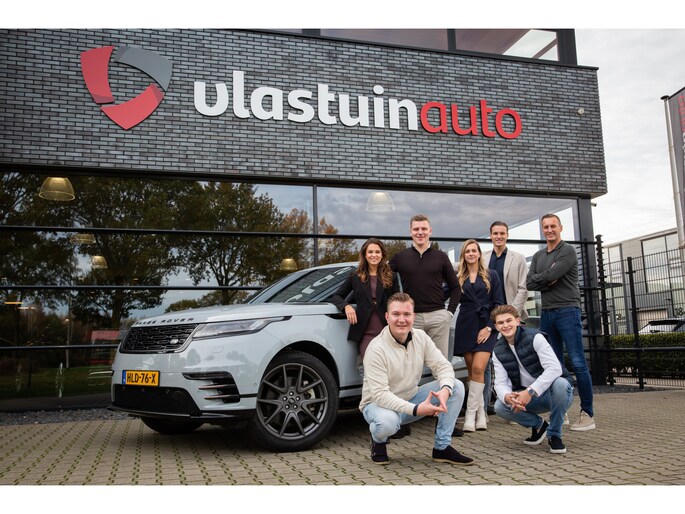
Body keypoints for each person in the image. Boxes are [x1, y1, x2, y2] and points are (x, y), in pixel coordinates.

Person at [359, 292, 474, 466]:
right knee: (387, 423)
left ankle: (442, 448)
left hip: (410, 397)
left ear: (414, 316)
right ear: (387, 317)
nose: (401, 320)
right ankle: (378, 441)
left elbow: (443, 366)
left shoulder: (421, 337)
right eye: (396, 314)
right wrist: (416, 409)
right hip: (377, 405)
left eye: (406, 314)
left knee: (455, 386)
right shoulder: (376, 348)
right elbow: (380, 395)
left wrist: (445, 390)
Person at [526, 213, 596, 431]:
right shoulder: (538, 256)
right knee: (553, 365)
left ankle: (587, 414)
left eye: (552, 226)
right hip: (547, 313)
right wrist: (547, 279)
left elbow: (548, 276)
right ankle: (560, 410)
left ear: (560, 228)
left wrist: (546, 278)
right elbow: (530, 282)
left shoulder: (567, 251)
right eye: (545, 227)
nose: (549, 230)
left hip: (567, 311)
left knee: (577, 362)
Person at [490, 305, 574, 454]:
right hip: (526, 398)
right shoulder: (497, 350)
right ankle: (540, 426)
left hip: (553, 394)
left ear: (517, 321)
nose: (505, 325)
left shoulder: (535, 337)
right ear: (496, 326)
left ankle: (554, 434)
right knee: (500, 406)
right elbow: (500, 383)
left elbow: (555, 368)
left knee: (561, 383)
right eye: (500, 323)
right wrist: (508, 397)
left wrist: (530, 391)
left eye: (509, 320)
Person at [389, 214, 460, 360]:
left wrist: (449, 313)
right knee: (410, 363)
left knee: (440, 364)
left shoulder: (441, 257)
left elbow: (455, 287)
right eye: (416, 229)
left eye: (423, 229)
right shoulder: (400, 257)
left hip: (438, 317)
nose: (420, 232)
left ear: (430, 231)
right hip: (411, 318)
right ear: (411, 232)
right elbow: (381, 278)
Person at [452, 239, 504, 432]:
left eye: (474, 250)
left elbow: (498, 303)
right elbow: (443, 294)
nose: (471, 254)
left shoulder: (492, 275)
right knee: (471, 372)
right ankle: (480, 413)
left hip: (485, 324)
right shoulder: (458, 276)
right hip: (466, 324)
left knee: (478, 367)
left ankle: (470, 415)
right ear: (463, 255)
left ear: (479, 254)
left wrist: (490, 327)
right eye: (467, 251)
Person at [481, 221, 529, 416]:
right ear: (490, 236)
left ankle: (517, 404)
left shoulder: (518, 258)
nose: (499, 236)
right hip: (488, 319)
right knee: (487, 362)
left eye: (502, 233)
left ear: (507, 235)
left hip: (510, 318)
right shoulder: (483, 257)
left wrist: (511, 314)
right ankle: (486, 406)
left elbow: (523, 288)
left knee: (515, 361)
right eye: (495, 233)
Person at [331, 238, 400, 360]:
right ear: (365, 255)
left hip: (388, 331)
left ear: (382, 255)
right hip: (365, 333)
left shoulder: (391, 276)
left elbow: (397, 302)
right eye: (370, 252)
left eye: (377, 252)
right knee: (369, 365)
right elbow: (336, 296)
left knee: (390, 367)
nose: (374, 255)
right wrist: (346, 306)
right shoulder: (355, 276)